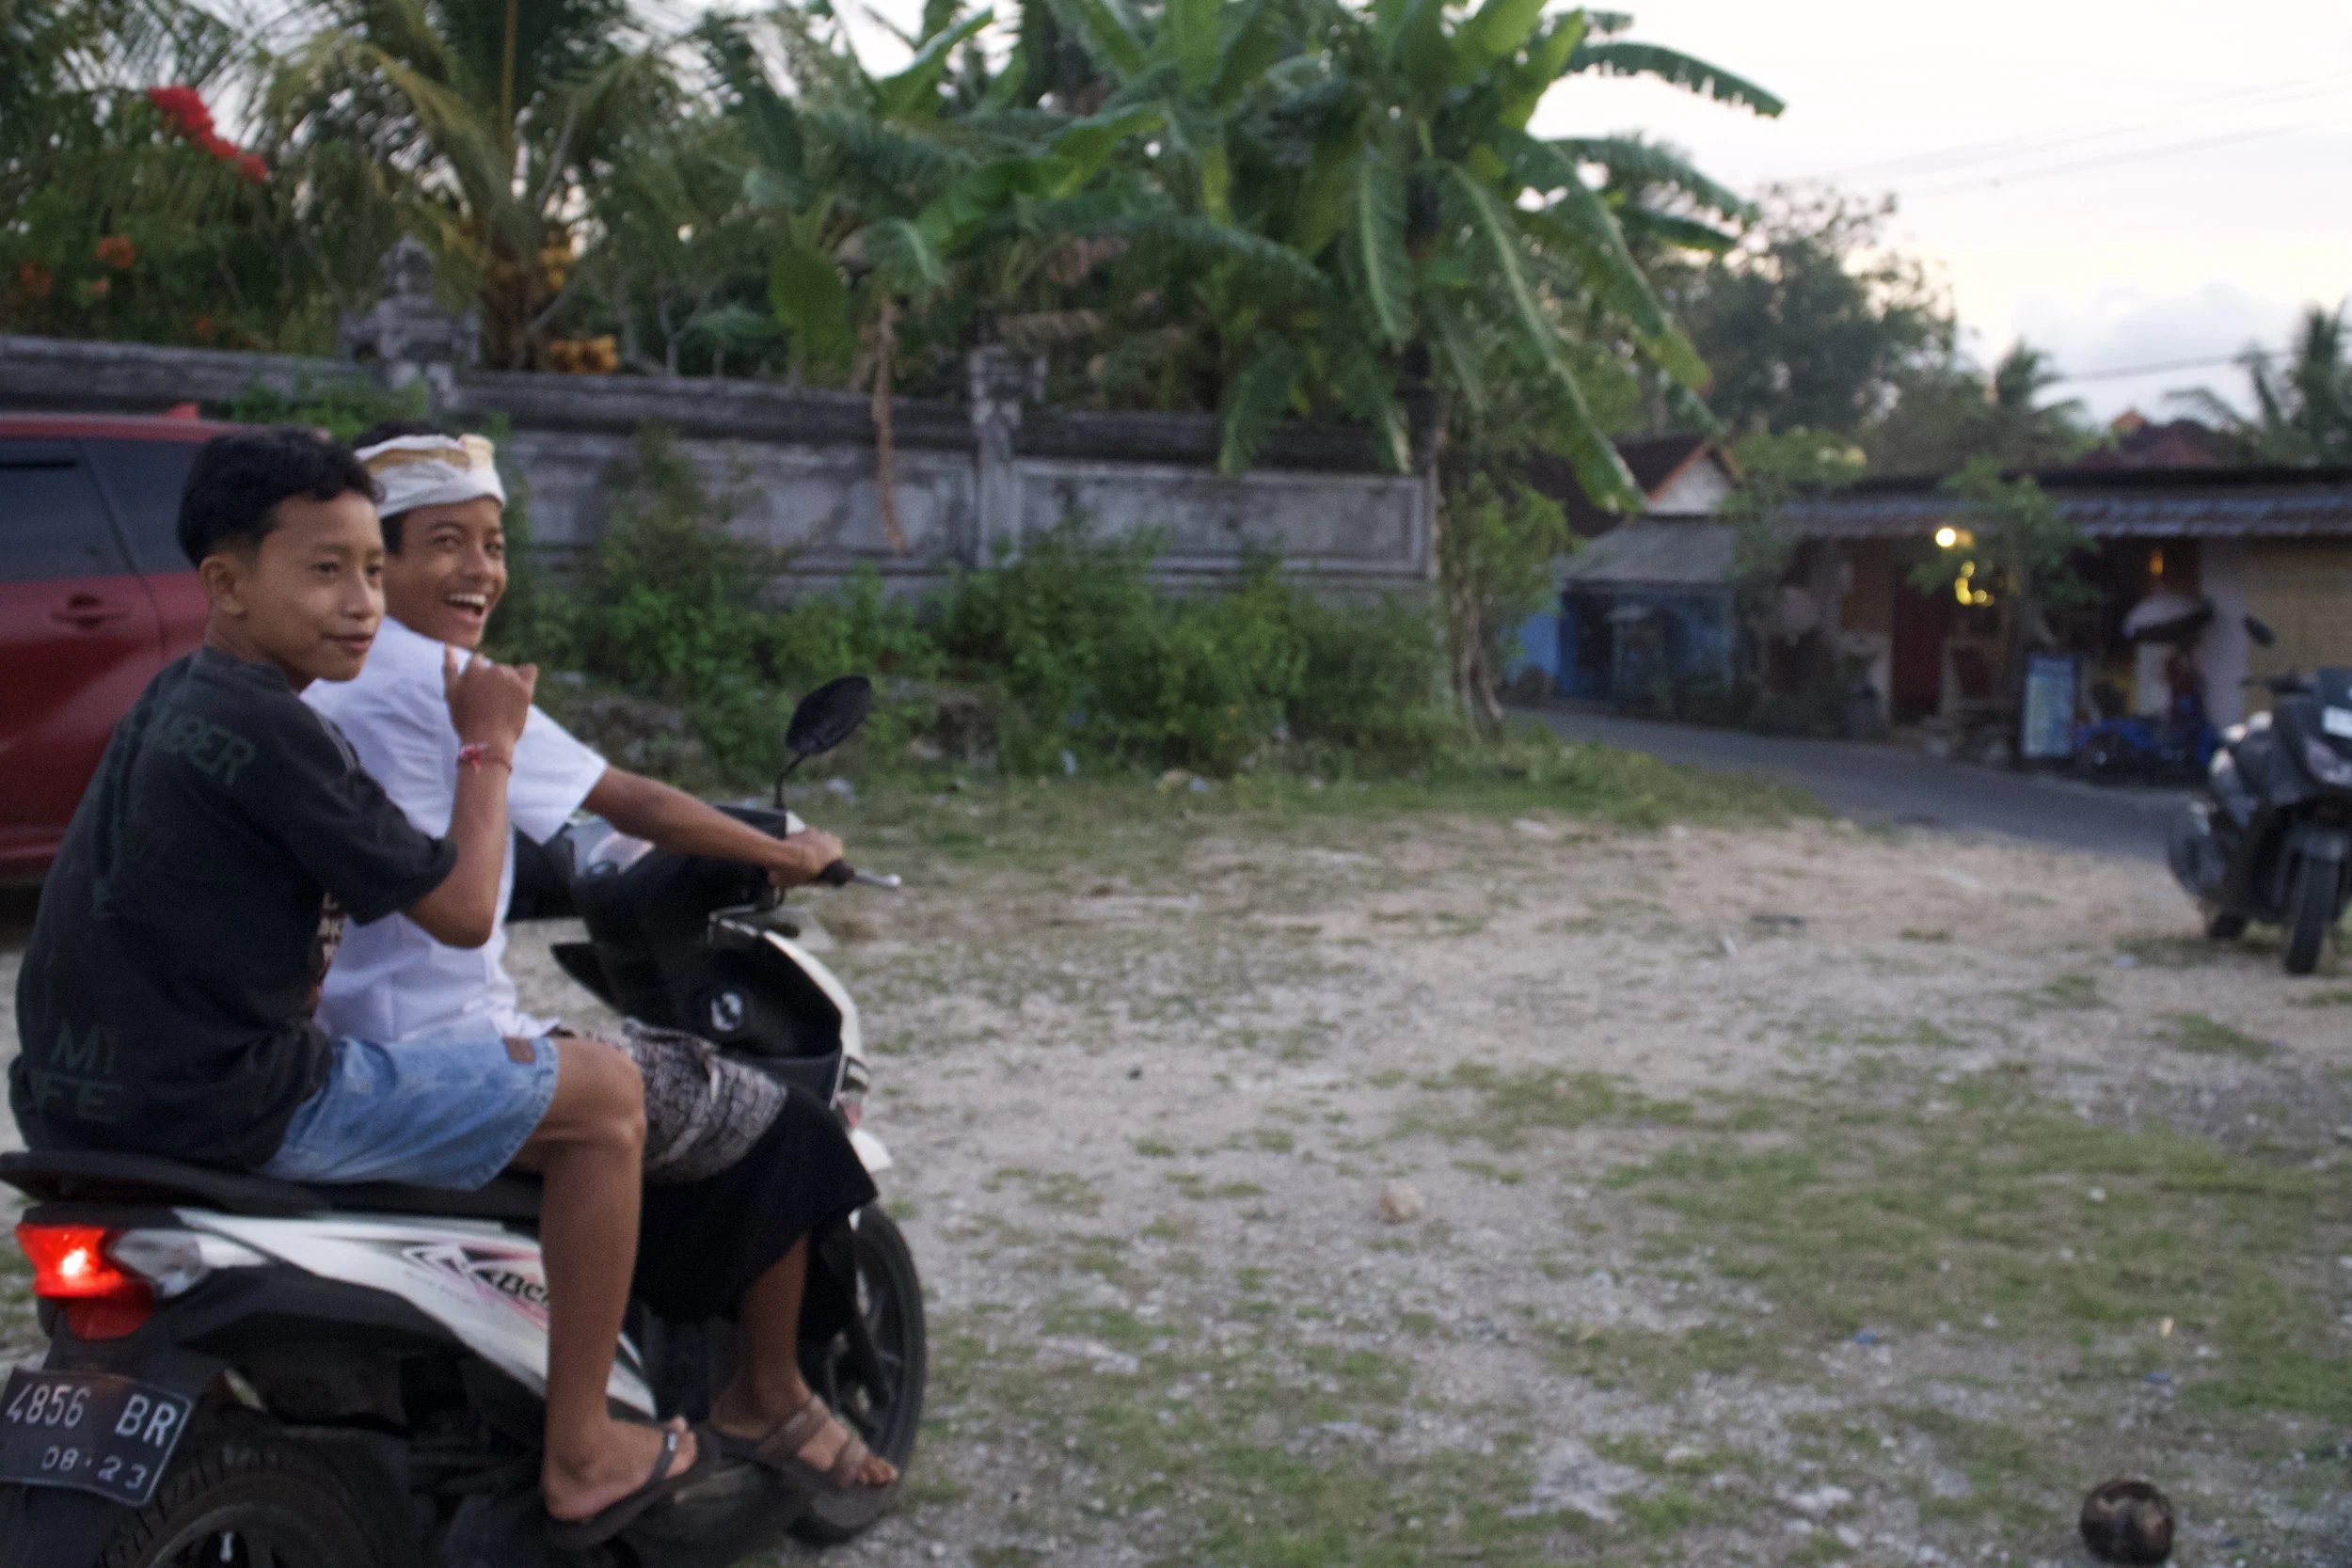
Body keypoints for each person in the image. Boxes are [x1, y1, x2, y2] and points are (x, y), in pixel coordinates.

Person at [8, 428, 705, 1548]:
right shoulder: (278, 729)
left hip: (73, 1104)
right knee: (609, 1097)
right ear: (225, 584)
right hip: (240, 1101)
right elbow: (467, 910)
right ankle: (583, 1443)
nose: (360, 602)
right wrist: (488, 743)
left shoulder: (176, 698)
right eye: (324, 569)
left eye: (371, 569)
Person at [303, 421, 896, 1495]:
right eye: (447, 541)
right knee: (776, 1116)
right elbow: (630, 801)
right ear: (373, 557)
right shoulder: (440, 678)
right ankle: (759, 1393)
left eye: (492, 540)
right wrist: (786, 851)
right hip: (446, 1053)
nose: (479, 568)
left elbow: (444, 840)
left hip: (328, 1049)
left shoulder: (307, 678)